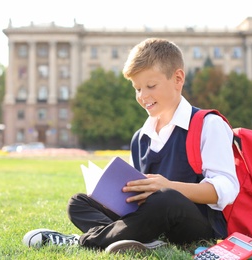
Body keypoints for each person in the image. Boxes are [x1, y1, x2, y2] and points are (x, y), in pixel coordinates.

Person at [22, 38, 240, 253]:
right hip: (149, 216)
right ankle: (143, 239)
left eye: (151, 86)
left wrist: (169, 186)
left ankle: (82, 241)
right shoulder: (140, 137)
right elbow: (137, 194)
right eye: (137, 89)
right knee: (78, 203)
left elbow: (226, 189)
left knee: (165, 199)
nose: (143, 96)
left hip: (198, 224)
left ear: (178, 78)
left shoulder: (208, 124)